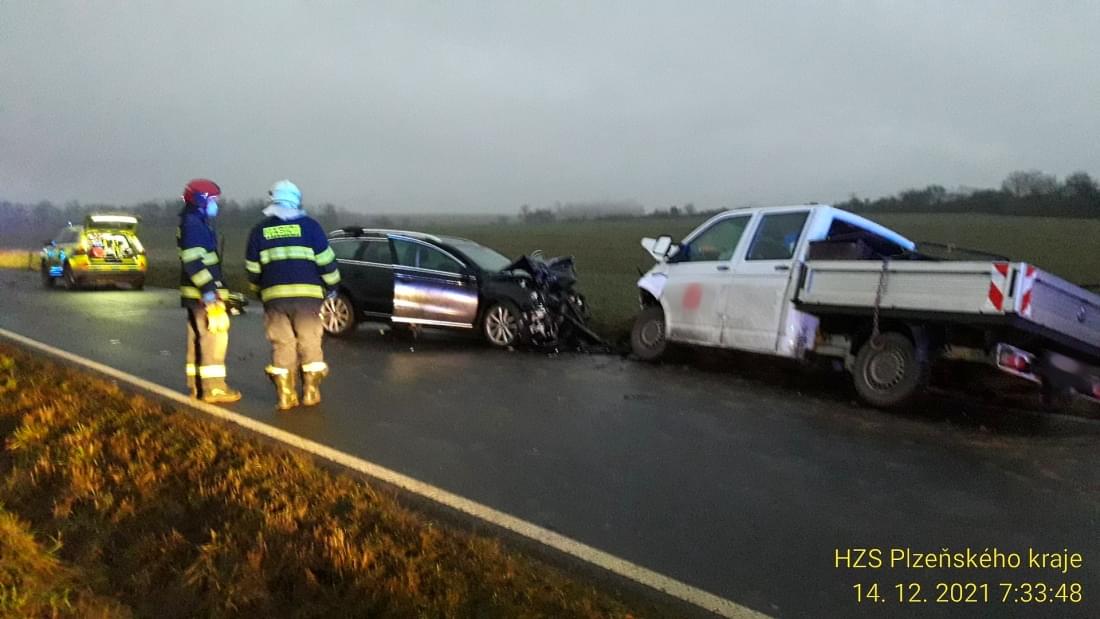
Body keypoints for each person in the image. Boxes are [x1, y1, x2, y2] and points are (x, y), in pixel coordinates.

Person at [245, 180, 341, 410]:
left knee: (282, 344)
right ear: (296, 200)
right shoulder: (311, 227)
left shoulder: (259, 231)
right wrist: (332, 286)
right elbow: (326, 262)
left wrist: (259, 291)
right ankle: (310, 391)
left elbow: (253, 269)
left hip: (274, 299)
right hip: (308, 298)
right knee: (310, 341)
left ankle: (286, 395)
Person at [178, 179, 242, 403]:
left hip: (196, 295)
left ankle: (197, 386)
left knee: (198, 340)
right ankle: (214, 388)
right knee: (214, 341)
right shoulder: (194, 224)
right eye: (213, 200)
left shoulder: (192, 221)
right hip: (204, 297)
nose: (216, 204)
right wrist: (209, 291)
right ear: (201, 200)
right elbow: (193, 261)